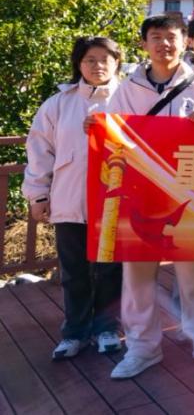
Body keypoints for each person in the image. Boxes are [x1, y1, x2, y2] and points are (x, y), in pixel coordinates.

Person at [106, 15, 194, 379]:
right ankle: (142, 346)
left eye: (171, 37)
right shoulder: (127, 89)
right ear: (144, 44)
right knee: (137, 273)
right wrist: (94, 127)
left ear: (185, 41)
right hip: (139, 192)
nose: (164, 44)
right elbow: (111, 136)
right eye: (155, 37)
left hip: (190, 192)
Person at [24, 36, 124, 360]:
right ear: (78, 64)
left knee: (110, 270)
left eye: (105, 59)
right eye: (90, 60)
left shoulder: (129, 98)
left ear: (117, 63)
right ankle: (75, 332)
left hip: (114, 202)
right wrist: (37, 195)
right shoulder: (58, 103)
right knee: (74, 270)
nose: (98, 66)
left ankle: (107, 328)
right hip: (70, 199)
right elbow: (39, 150)